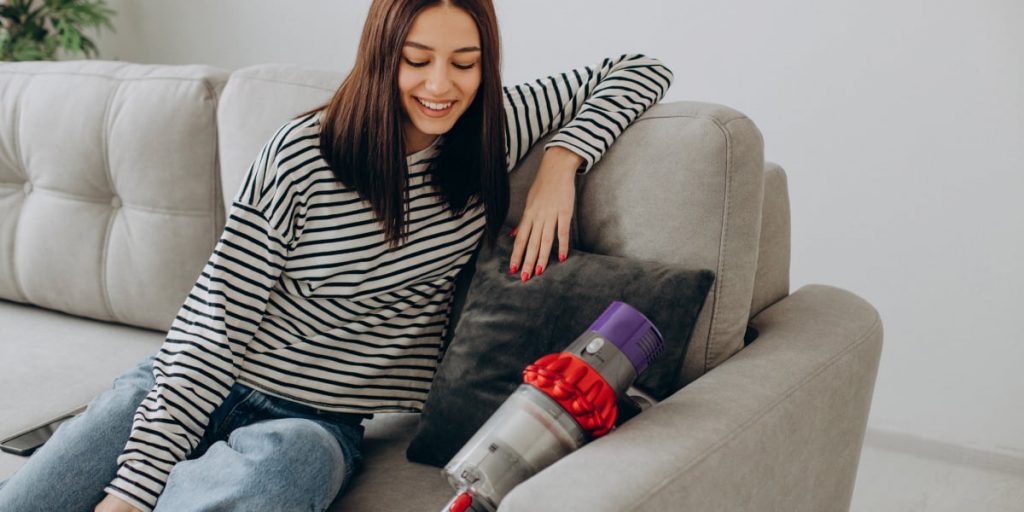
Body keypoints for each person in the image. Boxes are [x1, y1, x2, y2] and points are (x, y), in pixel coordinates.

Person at [0, 0, 673, 510]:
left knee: (287, 468)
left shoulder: (493, 132)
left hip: (311, 426)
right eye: (417, 59)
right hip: (191, 386)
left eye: (464, 63)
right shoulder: (302, 155)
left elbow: (642, 68)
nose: (442, 85)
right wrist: (131, 491)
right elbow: (214, 329)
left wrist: (563, 159)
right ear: (382, 55)